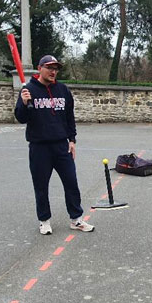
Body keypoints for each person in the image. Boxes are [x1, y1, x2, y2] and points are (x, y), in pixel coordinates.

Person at [14, 55, 94, 235]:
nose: (53, 71)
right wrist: (25, 102)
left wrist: (72, 140)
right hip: (39, 146)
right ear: (39, 68)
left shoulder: (63, 90)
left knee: (71, 182)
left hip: (61, 145)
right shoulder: (28, 90)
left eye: (56, 68)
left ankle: (76, 219)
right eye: (49, 67)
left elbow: (69, 117)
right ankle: (44, 220)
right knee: (41, 186)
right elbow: (21, 118)